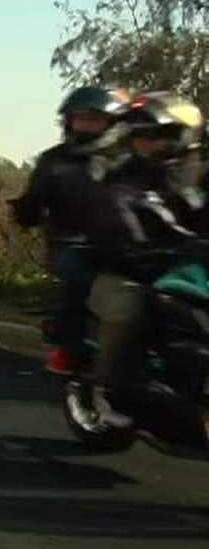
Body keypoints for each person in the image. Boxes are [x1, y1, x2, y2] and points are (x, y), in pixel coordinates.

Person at [84, 91, 209, 426]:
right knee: (130, 309)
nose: (145, 143)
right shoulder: (123, 175)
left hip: (192, 267)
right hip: (131, 267)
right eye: (139, 135)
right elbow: (116, 210)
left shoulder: (200, 172)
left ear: (182, 135)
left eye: (154, 135)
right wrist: (135, 245)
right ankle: (111, 392)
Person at [9, 86, 130, 374]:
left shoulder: (129, 159)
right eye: (81, 118)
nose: (87, 124)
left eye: (95, 119)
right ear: (69, 122)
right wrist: (26, 211)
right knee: (79, 278)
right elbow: (33, 201)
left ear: (112, 121)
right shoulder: (55, 161)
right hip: (73, 243)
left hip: (127, 243)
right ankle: (68, 347)